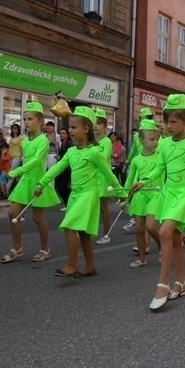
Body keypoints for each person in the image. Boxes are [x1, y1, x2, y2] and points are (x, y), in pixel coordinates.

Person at [132, 94, 185, 311]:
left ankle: (163, 285)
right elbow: (160, 168)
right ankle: (182, 281)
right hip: (167, 193)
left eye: (173, 121)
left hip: (184, 194)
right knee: (177, 240)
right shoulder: (165, 144)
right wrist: (143, 181)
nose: (168, 126)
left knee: (164, 233)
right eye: (166, 121)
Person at [35, 106, 123, 277]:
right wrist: (42, 183)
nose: (70, 130)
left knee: (69, 226)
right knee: (83, 233)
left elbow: (109, 174)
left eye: (74, 127)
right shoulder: (71, 152)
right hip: (75, 195)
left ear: (86, 129)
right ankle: (90, 267)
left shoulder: (95, 152)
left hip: (88, 195)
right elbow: (57, 168)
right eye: (70, 127)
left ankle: (72, 264)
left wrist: (122, 194)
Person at [2, 102, 60, 263]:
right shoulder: (25, 142)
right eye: (25, 119)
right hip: (25, 180)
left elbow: (36, 160)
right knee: (13, 213)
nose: (26, 122)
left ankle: (45, 249)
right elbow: (23, 159)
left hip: (38, 181)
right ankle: (17, 248)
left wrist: (17, 171)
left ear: (40, 121)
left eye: (30, 119)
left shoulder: (43, 141)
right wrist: (10, 170)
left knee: (38, 217)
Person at [123, 119, 163, 268]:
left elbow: (161, 175)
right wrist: (125, 198)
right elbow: (129, 181)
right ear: (141, 140)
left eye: (157, 139)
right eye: (152, 139)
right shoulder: (136, 160)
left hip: (156, 194)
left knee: (151, 227)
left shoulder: (160, 156)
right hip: (140, 195)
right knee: (139, 229)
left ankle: (161, 246)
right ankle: (142, 258)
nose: (155, 142)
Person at [123, 108, 155, 234]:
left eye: (146, 117)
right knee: (134, 189)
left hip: (152, 165)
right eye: (143, 117)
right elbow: (133, 149)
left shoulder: (155, 134)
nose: (144, 119)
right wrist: (128, 161)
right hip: (139, 163)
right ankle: (135, 217)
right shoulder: (137, 135)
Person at [94, 109, 115, 245]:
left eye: (99, 123)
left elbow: (104, 157)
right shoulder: (90, 140)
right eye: (94, 123)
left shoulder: (106, 141)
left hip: (103, 177)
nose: (96, 126)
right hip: (91, 177)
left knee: (103, 207)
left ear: (105, 126)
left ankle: (106, 234)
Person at [55, 128, 73, 210]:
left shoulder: (69, 144)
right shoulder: (62, 143)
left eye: (63, 133)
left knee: (63, 186)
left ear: (67, 135)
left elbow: (68, 155)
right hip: (62, 166)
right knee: (59, 185)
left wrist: (60, 157)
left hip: (67, 167)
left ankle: (69, 203)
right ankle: (67, 203)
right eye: (61, 133)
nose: (61, 135)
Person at [6, 123, 25, 193]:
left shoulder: (20, 138)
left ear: (18, 129)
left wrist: (23, 157)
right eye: (13, 128)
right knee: (16, 175)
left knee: (12, 172)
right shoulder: (11, 138)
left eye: (15, 128)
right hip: (10, 157)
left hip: (17, 157)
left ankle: (6, 190)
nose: (14, 130)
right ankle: (19, 189)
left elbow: (22, 148)